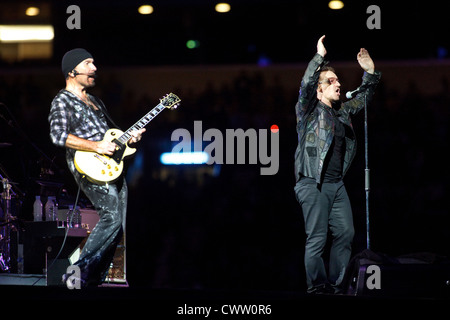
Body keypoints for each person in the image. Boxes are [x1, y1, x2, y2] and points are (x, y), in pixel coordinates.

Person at [48, 48, 145, 287]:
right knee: (111, 216)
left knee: (117, 224)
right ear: (72, 71)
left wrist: (128, 140)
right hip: (87, 165)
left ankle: (95, 280)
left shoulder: (95, 101)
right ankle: (76, 273)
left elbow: (109, 137)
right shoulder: (62, 100)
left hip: (111, 165)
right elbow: (58, 136)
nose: (94, 68)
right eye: (88, 63)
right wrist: (96, 147)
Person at [293, 36, 381, 294]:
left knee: (345, 233)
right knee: (317, 239)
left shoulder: (341, 112)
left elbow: (363, 99)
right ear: (319, 89)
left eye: (338, 80)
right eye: (331, 81)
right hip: (313, 182)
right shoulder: (307, 110)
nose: (338, 84)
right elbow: (306, 84)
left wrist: (371, 73)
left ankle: (337, 285)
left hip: (335, 184)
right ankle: (318, 287)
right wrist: (319, 57)